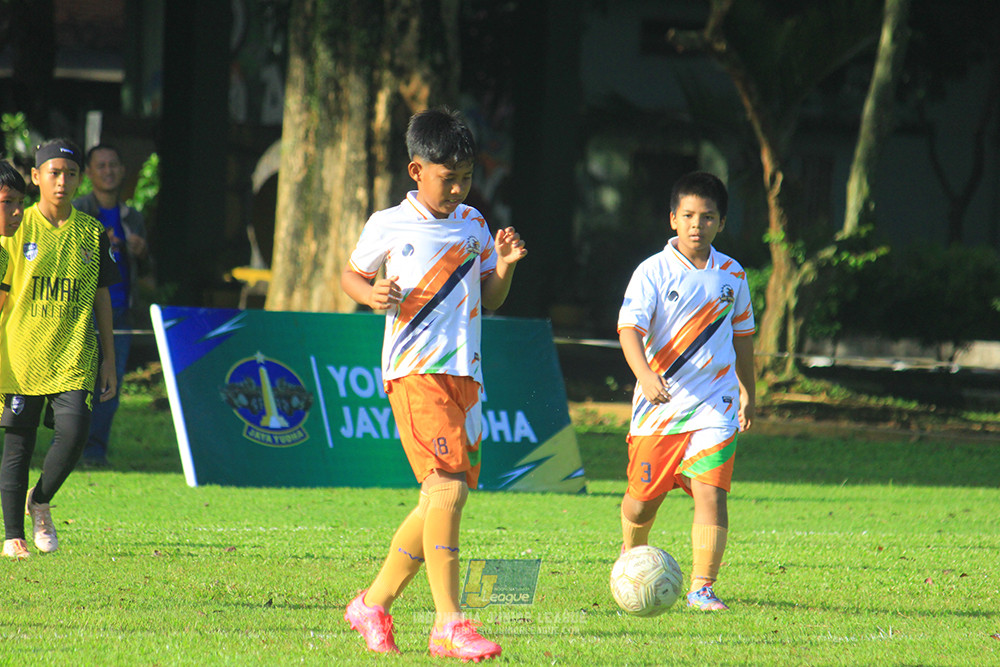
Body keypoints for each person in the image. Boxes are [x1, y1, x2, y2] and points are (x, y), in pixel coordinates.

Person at [341, 108, 526, 661]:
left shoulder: (473, 224)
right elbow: (350, 272)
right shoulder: (388, 224)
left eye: (466, 177)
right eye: (449, 178)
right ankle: (449, 623)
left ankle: (372, 604)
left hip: (464, 376)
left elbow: (490, 298)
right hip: (414, 371)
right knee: (448, 490)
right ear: (416, 169)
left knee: (441, 499)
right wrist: (369, 295)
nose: (459, 188)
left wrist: (506, 266)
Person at [616, 171, 755, 611]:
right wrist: (644, 375)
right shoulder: (651, 271)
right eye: (690, 215)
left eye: (708, 217)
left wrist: (748, 390)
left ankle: (702, 587)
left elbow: (744, 336)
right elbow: (628, 330)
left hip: (716, 404)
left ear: (721, 223)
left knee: (712, 492)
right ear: (673, 219)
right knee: (641, 505)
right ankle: (629, 560)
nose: (698, 225)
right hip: (660, 407)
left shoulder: (732, 274)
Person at [0, 139, 119, 560]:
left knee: (74, 432)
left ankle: (41, 499)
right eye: (53, 173)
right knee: (18, 444)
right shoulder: (16, 227)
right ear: (36, 177)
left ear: (79, 179)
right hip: (21, 355)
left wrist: (109, 357)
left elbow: (102, 295)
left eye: (70, 174)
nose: (62, 182)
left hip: (73, 354)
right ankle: (13, 534)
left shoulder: (90, 232)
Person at [73, 144, 152, 467]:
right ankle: (70, 446)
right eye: (100, 165)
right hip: (81, 310)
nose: (108, 171)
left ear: (122, 171)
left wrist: (141, 251)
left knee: (110, 382)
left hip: (120, 311)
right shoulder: (78, 211)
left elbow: (148, 273)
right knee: (77, 383)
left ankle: (94, 450)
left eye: (113, 165)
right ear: (89, 173)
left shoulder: (132, 217)